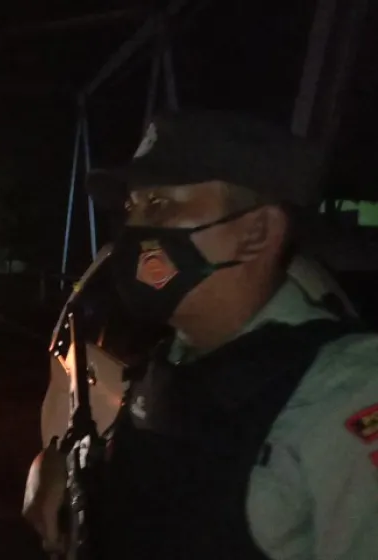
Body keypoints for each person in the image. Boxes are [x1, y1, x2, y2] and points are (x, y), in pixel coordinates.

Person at [22, 110, 378, 559]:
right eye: (132, 208)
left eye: (160, 205)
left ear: (257, 232)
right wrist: (57, 466)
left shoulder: (347, 391)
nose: (133, 231)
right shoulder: (170, 366)